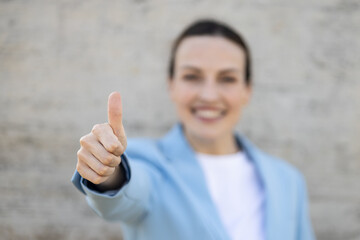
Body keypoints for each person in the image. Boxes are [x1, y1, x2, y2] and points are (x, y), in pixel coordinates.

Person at [71, 19, 315, 240]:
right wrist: (109, 172)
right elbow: (127, 193)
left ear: (247, 90)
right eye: (192, 76)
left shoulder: (288, 180)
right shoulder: (144, 161)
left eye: (227, 79)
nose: (209, 95)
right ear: (171, 85)